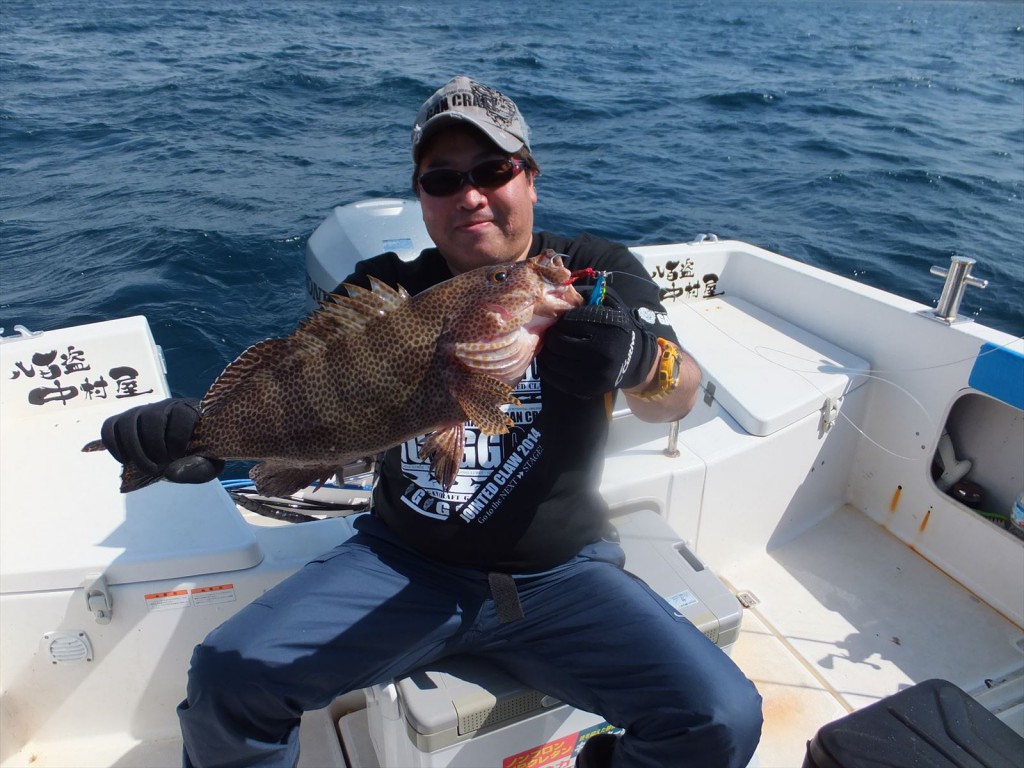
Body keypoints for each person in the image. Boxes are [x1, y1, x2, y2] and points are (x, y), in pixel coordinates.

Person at [99, 76, 763, 768]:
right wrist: (200, 433)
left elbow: (678, 395)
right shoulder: (382, 288)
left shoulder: (593, 272)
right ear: (421, 197)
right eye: (442, 180)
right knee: (228, 677)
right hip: (402, 565)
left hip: (563, 576)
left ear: (530, 178)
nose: (470, 194)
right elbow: (299, 387)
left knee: (721, 718)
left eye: (493, 170)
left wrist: (637, 361)